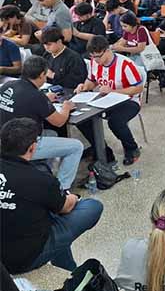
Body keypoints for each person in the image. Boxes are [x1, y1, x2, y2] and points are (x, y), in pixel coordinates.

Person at [0, 118, 103, 274]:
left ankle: (68, 268)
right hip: (20, 259)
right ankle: (68, 268)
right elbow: (66, 207)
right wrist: (73, 197)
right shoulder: (40, 179)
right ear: (32, 147)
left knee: (47, 211)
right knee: (92, 206)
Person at [0, 56, 82, 191]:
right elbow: (59, 122)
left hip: (4, 140)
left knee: (51, 134)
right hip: (22, 146)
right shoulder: (35, 96)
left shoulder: (7, 85)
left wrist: (45, 99)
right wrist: (66, 107)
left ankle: (42, 174)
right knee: (76, 146)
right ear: (41, 75)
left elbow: (23, 101)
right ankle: (62, 189)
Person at [74, 35, 143, 166]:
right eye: (92, 57)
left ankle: (132, 148)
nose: (95, 60)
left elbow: (138, 88)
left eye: (98, 56)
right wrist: (84, 86)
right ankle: (102, 149)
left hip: (128, 101)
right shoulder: (94, 62)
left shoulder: (125, 64)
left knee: (115, 122)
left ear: (107, 50)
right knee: (82, 119)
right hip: (105, 100)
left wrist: (113, 91)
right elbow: (92, 80)